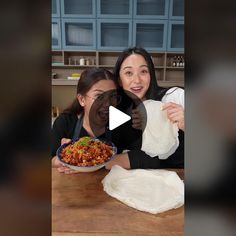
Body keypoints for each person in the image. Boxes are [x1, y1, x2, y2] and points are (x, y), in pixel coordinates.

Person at [105, 47, 184, 170]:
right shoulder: (121, 111)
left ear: (151, 75)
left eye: (143, 71)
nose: (137, 80)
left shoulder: (173, 96)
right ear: (119, 80)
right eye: (128, 73)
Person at [51, 68, 121, 174]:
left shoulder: (121, 124)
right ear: (82, 100)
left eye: (112, 96)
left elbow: (139, 157)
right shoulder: (65, 122)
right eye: (99, 96)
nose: (107, 103)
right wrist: (63, 159)